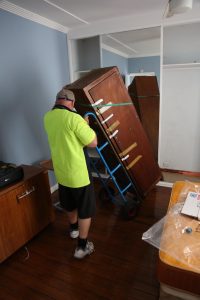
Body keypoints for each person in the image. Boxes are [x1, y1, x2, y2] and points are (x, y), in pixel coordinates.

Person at [44, 88, 97, 259]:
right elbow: (92, 143)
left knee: (69, 203)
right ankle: (81, 247)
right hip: (78, 174)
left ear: (57, 100)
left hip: (61, 171)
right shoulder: (75, 119)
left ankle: (73, 230)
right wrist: (85, 124)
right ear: (72, 103)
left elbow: (65, 137)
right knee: (85, 210)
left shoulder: (48, 117)